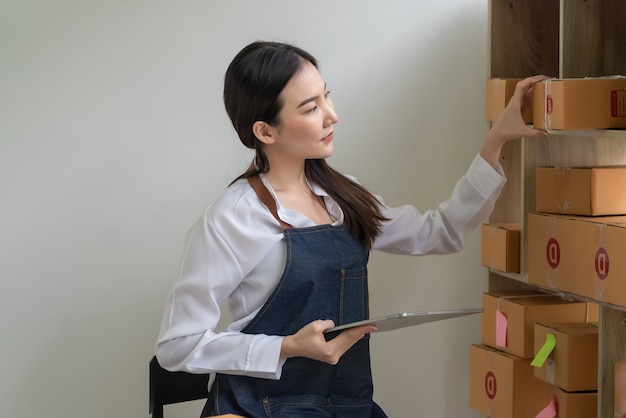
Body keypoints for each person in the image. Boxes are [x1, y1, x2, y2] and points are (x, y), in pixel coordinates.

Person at [155, 40, 549, 418]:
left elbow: (439, 232)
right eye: (311, 108)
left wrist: (497, 138)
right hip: (259, 406)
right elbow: (177, 345)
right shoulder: (232, 217)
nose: (332, 115)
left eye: (327, 95)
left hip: (345, 405)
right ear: (265, 132)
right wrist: (287, 347)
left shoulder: (342, 196)